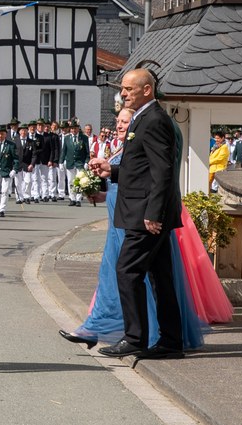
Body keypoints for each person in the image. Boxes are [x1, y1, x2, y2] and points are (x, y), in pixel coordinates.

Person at [60, 107, 212, 351]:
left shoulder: (149, 134)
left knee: (133, 275)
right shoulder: (123, 149)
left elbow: (154, 177)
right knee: (124, 278)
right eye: (118, 121)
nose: (120, 125)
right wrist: (102, 192)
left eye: (125, 121)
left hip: (138, 220)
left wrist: (151, 213)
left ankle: (139, 336)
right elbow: (131, 180)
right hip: (121, 221)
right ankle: (103, 329)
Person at [87, 69, 185, 360]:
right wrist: (112, 170)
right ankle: (171, 341)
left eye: (129, 89)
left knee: (127, 270)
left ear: (146, 90)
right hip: (146, 210)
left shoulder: (154, 120)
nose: (123, 93)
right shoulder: (144, 117)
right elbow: (141, 168)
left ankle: (134, 338)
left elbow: (163, 171)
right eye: (123, 88)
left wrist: (154, 213)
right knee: (160, 276)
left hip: (147, 215)